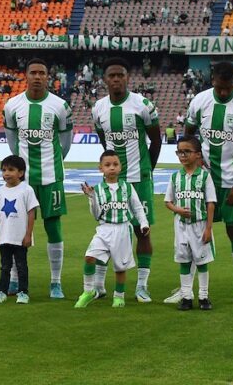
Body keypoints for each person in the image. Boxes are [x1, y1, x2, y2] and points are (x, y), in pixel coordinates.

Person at [180, 61, 233, 306]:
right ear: (212, 80)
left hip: (231, 180)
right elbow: (189, 133)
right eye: (219, 87)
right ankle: (186, 290)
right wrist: (195, 160)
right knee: (194, 233)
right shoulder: (200, 102)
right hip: (203, 182)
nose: (223, 92)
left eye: (227, 87)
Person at [90, 57, 162, 302]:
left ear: (128, 78)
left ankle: (142, 285)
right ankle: (99, 285)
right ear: (105, 80)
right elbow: (104, 142)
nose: (117, 79)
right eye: (112, 76)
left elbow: (156, 140)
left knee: (143, 232)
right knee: (109, 230)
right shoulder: (98, 108)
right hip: (112, 183)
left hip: (139, 178)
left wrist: (146, 170)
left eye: (121, 75)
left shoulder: (142, 105)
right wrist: (110, 167)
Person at [4, 58, 73, 299]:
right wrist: (20, 168)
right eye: (32, 72)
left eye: (41, 73)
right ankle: (14, 278)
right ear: (25, 75)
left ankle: (55, 282)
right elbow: (12, 141)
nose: (37, 77)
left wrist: (53, 161)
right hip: (23, 181)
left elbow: (65, 142)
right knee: (16, 228)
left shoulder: (60, 106)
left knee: (53, 228)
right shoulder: (13, 105)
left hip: (51, 177)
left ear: (48, 76)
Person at [74, 151, 150, 308]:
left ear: (120, 167)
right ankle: (88, 291)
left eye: (115, 164)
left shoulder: (127, 187)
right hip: (103, 229)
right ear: (100, 168)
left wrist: (144, 223)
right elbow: (96, 215)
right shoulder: (98, 189)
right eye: (107, 165)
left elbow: (137, 207)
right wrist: (92, 198)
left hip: (123, 229)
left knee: (120, 267)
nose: (112, 168)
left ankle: (119, 296)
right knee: (89, 257)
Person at [164, 135, 216, 311]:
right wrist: (177, 210)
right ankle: (187, 297)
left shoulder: (204, 177)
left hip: (199, 225)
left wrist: (209, 228)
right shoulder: (175, 177)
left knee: (201, 261)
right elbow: (168, 201)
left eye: (187, 151)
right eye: (180, 152)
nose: (183, 155)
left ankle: (203, 296)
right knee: (184, 260)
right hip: (181, 226)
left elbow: (210, 203)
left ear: (198, 155)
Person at [0, 155, 39, 305]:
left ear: (21, 173)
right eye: (4, 170)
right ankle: (2, 292)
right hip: (4, 237)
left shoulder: (26, 190)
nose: (6, 173)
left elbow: (31, 213)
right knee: (5, 266)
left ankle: (23, 292)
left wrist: (28, 235)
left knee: (21, 265)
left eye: (11, 169)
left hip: (20, 237)